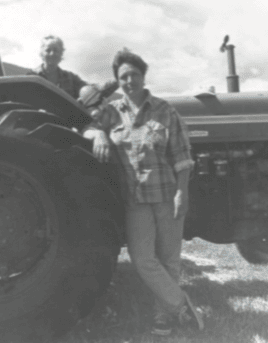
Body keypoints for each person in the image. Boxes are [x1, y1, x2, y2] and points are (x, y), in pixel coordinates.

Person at [82, 49, 203, 335]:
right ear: (117, 81)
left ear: (143, 76)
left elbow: (182, 155)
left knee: (169, 259)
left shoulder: (164, 110)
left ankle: (164, 316)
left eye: (134, 75)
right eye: (123, 77)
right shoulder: (111, 111)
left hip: (166, 194)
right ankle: (180, 304)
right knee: (142, 259)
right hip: (135, 200)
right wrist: (98, 134)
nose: (129, 81)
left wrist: (181, 193)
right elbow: (86, 126)